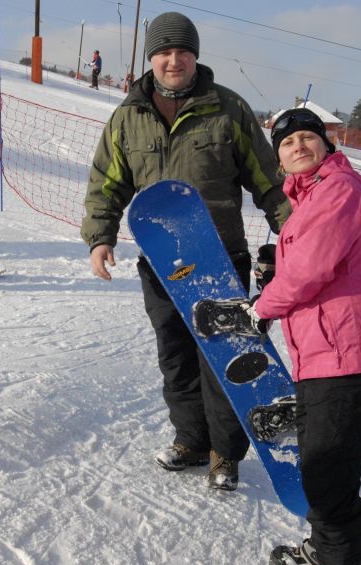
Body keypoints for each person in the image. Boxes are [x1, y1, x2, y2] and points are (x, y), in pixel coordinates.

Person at [81, 11, 290, 492]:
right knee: (175, 356)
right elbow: (107, 182)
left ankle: (224, 454)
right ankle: (192, 441)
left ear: (195, 56)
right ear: (151, 58)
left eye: (182, 51)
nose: (173, 60)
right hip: (161, 260)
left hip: (220, 259)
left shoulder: (228, 109)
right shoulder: (128, 117)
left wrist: (295, 234)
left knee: (223, 360)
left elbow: (268, 181)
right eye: (164, 52)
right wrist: (100, 236)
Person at [245, 108, 361, 565]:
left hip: (344, 355)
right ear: (280, 159)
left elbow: (310, 270)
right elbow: (309, 261)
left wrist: (262, 306)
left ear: (328, 146)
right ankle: (326, 551)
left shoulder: (338, 189)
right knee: (319, 463)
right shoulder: (308, 197)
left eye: (308, 137)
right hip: (323, 353)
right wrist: (277, 270)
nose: (298, 147)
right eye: (287, 143)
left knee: (330, 471)